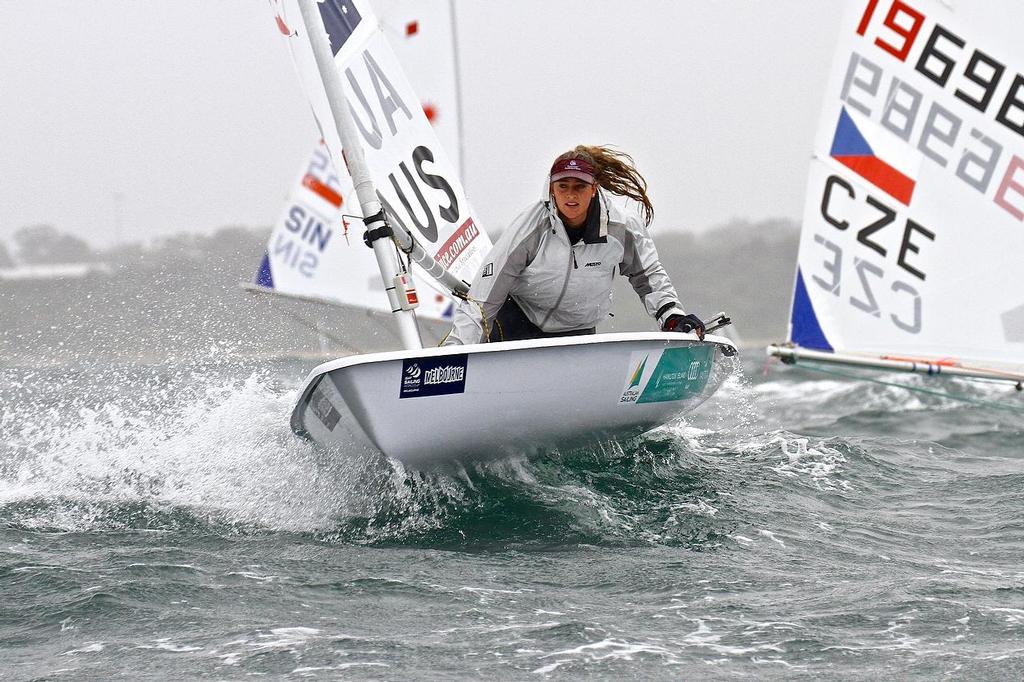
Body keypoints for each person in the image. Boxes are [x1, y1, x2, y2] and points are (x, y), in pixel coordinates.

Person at [443, 145, 704, 345]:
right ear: (551, 188)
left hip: (576, 332)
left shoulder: (621, 227)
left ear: (594, 189)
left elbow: (648, 276)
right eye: (563, 186)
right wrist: (455, 352)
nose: (570, 194)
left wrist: (671, 315)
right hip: (518, 321)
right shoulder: (530, 228)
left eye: (579, 186)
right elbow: (483, 298)